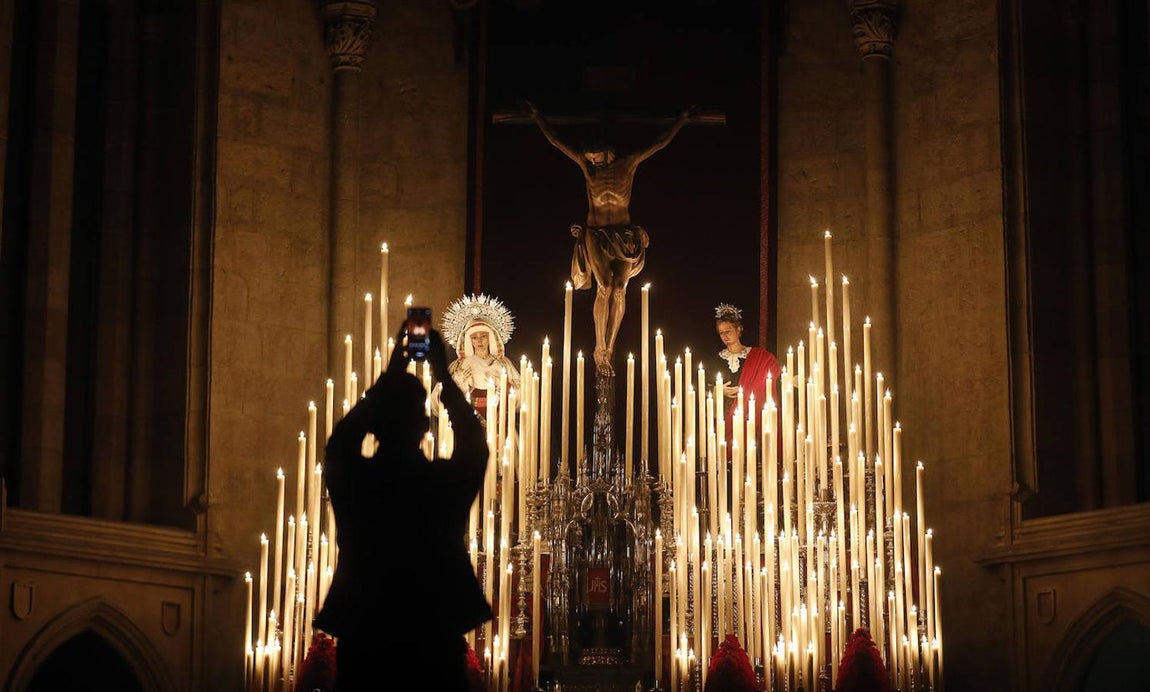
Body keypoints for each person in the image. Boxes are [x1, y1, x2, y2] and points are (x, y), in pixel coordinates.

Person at [314, 324, 492, 691]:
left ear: (374, 426)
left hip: (366, 633)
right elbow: (475, 445)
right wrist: (443, 375)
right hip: (433, 635)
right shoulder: (441, 486)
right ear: (425, 425)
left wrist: (391, 374)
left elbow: (340, 444)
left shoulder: (358, 482)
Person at [526, 100, 696, 374]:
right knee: (604, 286)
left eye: (595, 156)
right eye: (589, 158)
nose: (592, 161)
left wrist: (682, 119)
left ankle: (611, 345)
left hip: (624, 236)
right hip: (596, 234)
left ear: (607, 151)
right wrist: (537, 117)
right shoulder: (588, 169)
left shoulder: (628, 165)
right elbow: (558, 142)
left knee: (619, 289)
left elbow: (659, 143)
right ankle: (599, 346)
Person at [442, 293, 521, 418]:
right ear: (469, 341)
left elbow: (523, 395)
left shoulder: (504, 364)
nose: (479, 341)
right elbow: (439, 399)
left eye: (483, 336)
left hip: (498, 419)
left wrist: (503, 384)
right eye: (474, 337)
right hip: (468, 419)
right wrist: (458, 382)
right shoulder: (458, 366)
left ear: (490, 338)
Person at [714, 303, 781, 446]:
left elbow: (774, 378)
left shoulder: (758, 357)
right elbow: (704, 389)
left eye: (728, 331)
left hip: (751, 416)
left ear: (738, 330)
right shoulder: (715, 360)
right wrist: (717, 391)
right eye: (721, 333)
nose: (725, 336)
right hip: (725, 418)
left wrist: (788, 380)